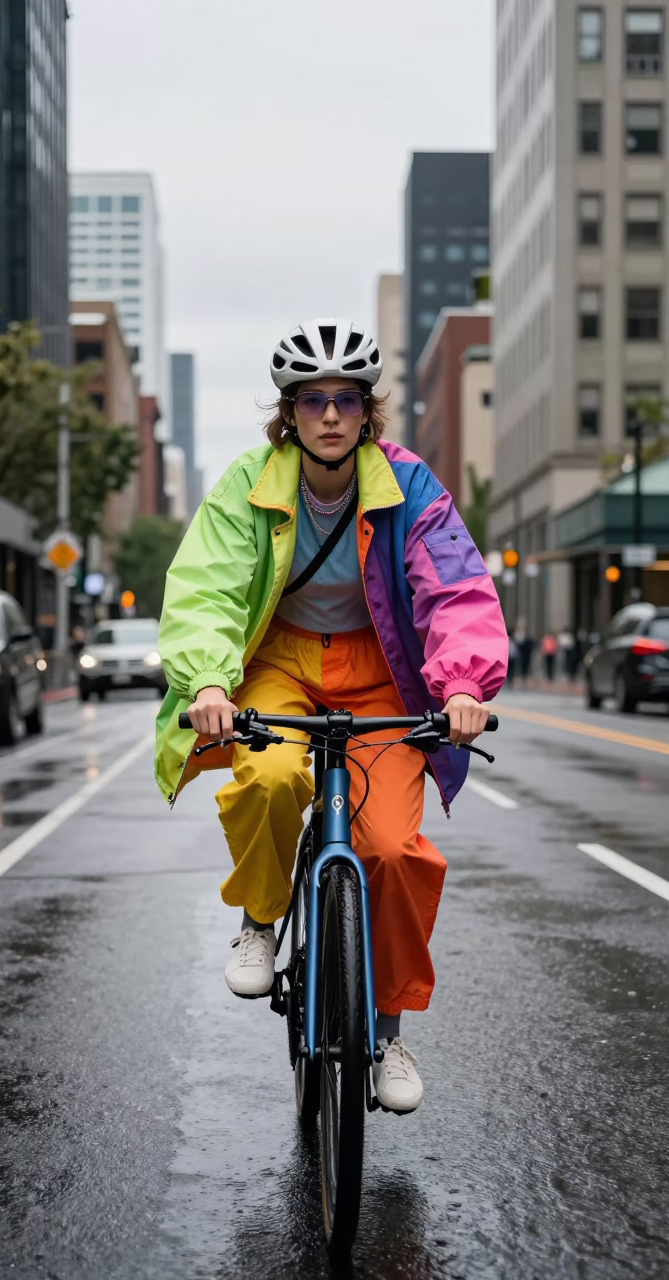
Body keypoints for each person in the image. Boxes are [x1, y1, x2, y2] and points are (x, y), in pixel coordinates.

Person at [156, 318, 508, 1114]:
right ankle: (260, 915)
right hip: (279, 662)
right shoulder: (249, 482)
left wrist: (461, 684)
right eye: (312, 400)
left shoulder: (411, 485)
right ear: (289, 412)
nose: (329, 415)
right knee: (273, 774)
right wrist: (211, 684)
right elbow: (205, 587)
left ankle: (385, 1034)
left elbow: (455, 588)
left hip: (379, 669)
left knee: (391, 850)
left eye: (346, 399)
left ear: (366, 411)